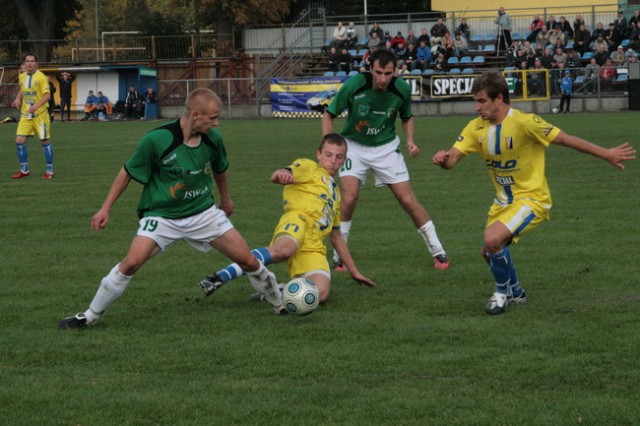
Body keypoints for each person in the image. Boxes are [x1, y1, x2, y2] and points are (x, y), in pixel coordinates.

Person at [57, 88, 284, 329]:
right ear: (196, 115)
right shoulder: (156, 140)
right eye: (213, 118)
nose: (217, 124)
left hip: (204, 214)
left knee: (247, 260)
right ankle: (90, 316)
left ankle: (280, 304)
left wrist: (226, 198)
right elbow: (127, 172)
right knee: (131, 263)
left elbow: (220, 168)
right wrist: (105, 209)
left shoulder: (213, 139)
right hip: (162, 217)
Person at [432, 72, 635, 315]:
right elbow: (452, 160)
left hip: (532, 199)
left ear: (499, 99)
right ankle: (516, 291)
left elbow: (567, 140)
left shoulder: (526, 122)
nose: (477, 107)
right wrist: (443, 159)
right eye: (475, 101)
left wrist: (606, 153)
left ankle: (501, 294)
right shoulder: (476, 127)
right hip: (502, 202)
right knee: (489, 251)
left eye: (482, 101)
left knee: (492, 240)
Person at [198, 133, 376, 304]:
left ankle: (276, 291)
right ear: (319, 154)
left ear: (344, 160)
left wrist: (354, 271)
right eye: (328, 155)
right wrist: (280, 176)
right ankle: (220, 276)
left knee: (320, 294)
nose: (333, 161)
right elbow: (283, 172)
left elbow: (336, 236)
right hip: (298, 221)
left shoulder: (336, 193)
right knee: (283, 250)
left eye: (339, 157)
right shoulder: (309, 167)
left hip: (314, 246)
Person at [321, 48, 450, 272]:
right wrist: (327, 146)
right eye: (378, 72)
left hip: (386, 148)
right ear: (370, 69)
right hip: (354, 147)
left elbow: (407, 117)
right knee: (349, 199)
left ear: (395, 72)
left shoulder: (402, 89)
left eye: (388, 73)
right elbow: (328, 114)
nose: (382, 79)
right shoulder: (355, 85)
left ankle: (438, 250)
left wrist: (410, 141)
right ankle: (338, 256)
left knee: (407, 200)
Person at [10, 53, 54, 180]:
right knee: (19, 141)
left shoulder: (41, 78)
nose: (29, 63)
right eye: (27, 61)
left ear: (36, 63)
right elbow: (22, 90)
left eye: (32, 61)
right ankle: (24, 170)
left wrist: (36, 106)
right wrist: (17, 99)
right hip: (26, 115)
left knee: (45, 141)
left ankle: (49, 171)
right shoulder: (22, 76)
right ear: (25, 63)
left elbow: (47, 96)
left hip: (40, 115)